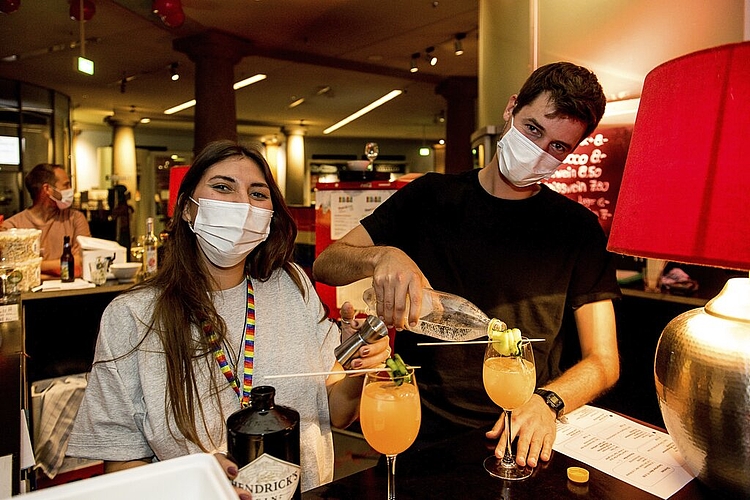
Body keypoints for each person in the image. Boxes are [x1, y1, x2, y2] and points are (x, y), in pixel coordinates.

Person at [312, 62, 621, 469]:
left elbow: (604, 360)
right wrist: (383, 255)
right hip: (425, 433)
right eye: (533, 129)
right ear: (511, 109)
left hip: (524, 433)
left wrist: (548, 402)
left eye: (558, 147)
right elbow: (326, 263)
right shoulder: (431, 198)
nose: (540, 152)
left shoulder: (577, 228)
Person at [66, 141, 390, 496]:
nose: (242, 204)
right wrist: (191, 481)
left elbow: (337, 412)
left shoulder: (291, 285)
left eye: (258, 193)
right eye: (222, 187)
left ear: (270, 216)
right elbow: (120, 464)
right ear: (188, 209)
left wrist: (361, 369)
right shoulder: (133, 317)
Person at [1, 163, 91, 279]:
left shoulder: (76, 219)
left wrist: (30, 265)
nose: (70, 190)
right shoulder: (12, 227)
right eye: (66, 185)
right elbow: (12, 272)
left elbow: (81, 263)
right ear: (47, 189)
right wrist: (64, 262)